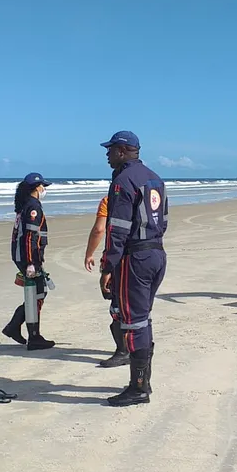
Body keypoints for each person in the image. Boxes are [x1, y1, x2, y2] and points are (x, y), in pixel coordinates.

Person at [98, 130, 168, 406]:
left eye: (110, 149)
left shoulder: (122, 181)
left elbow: (117, 229)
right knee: (142, 318)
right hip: (156, 252)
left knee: (134, 321)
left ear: (123, 150)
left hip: (135, 258)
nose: (107, 154)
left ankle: (139, 388)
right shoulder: (155, 178)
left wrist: (108, 266)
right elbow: (162, 220)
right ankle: (141, 384)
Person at [1, 172, 56, 350]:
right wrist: (31, 262)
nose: (44, 190)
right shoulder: (33, 207)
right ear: (36, 188)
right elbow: (30, 237)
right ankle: (32, 336)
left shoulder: (25, 205)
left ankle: (16, 327)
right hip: (27, 258)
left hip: (24, 257)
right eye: (43, 187)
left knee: (37, 293)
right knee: (36, 294)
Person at [84, 194, 130, 368]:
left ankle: (123, 351)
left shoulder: (110, 200)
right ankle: (139, 348)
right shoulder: (145, 195)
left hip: (120, 259)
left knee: (117, 306)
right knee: (138, 308)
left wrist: (91, 255)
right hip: (146, 258)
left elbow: (99, 229)